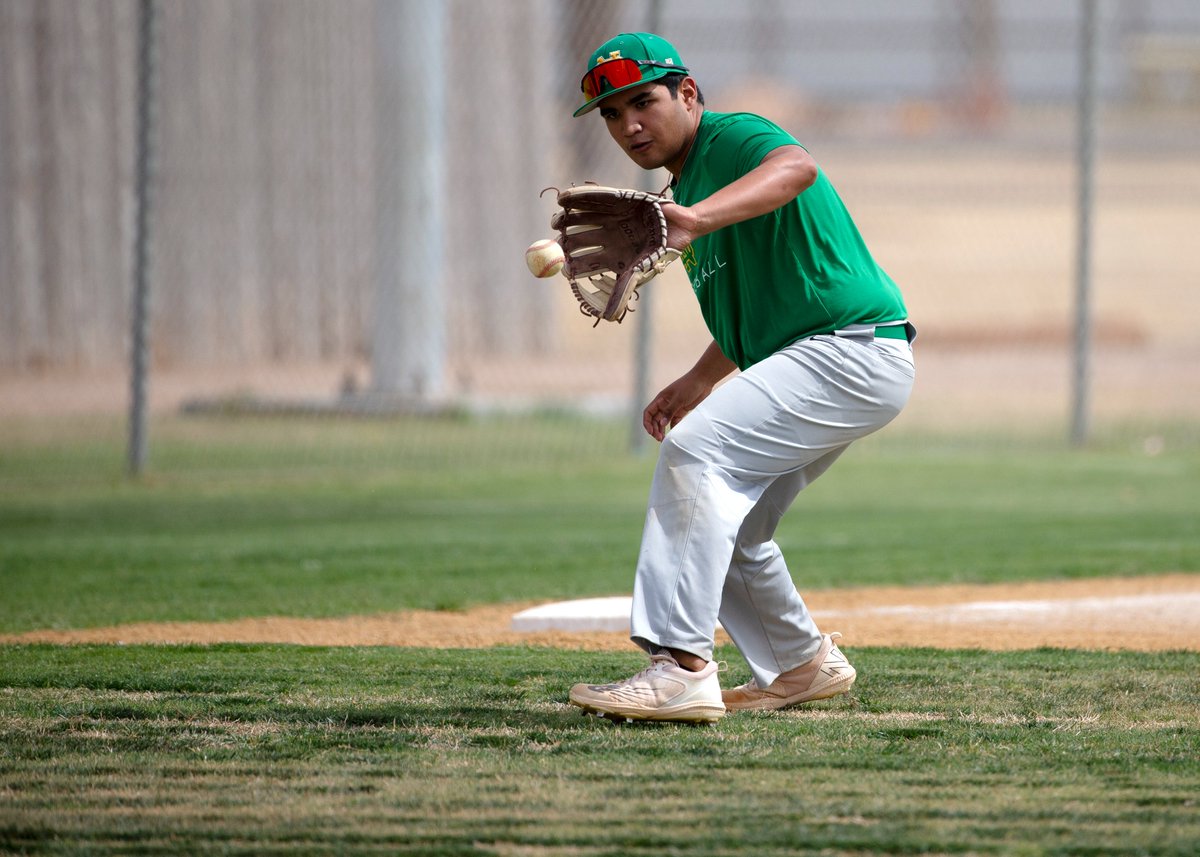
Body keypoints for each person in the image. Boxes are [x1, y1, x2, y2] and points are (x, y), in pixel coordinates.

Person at [566, 33, 915, 723]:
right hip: (831, 355)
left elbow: (797, 166)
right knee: (733, 525)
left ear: (688, 94)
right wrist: (696, 380)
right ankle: (800, 664)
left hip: (849, 348)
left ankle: (678, 665)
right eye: (611, 114)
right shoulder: (685, 196)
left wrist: (696, 218)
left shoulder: (731, 141)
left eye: (643, 101)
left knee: (696, 453)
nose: (628, 124)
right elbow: (753, 314)